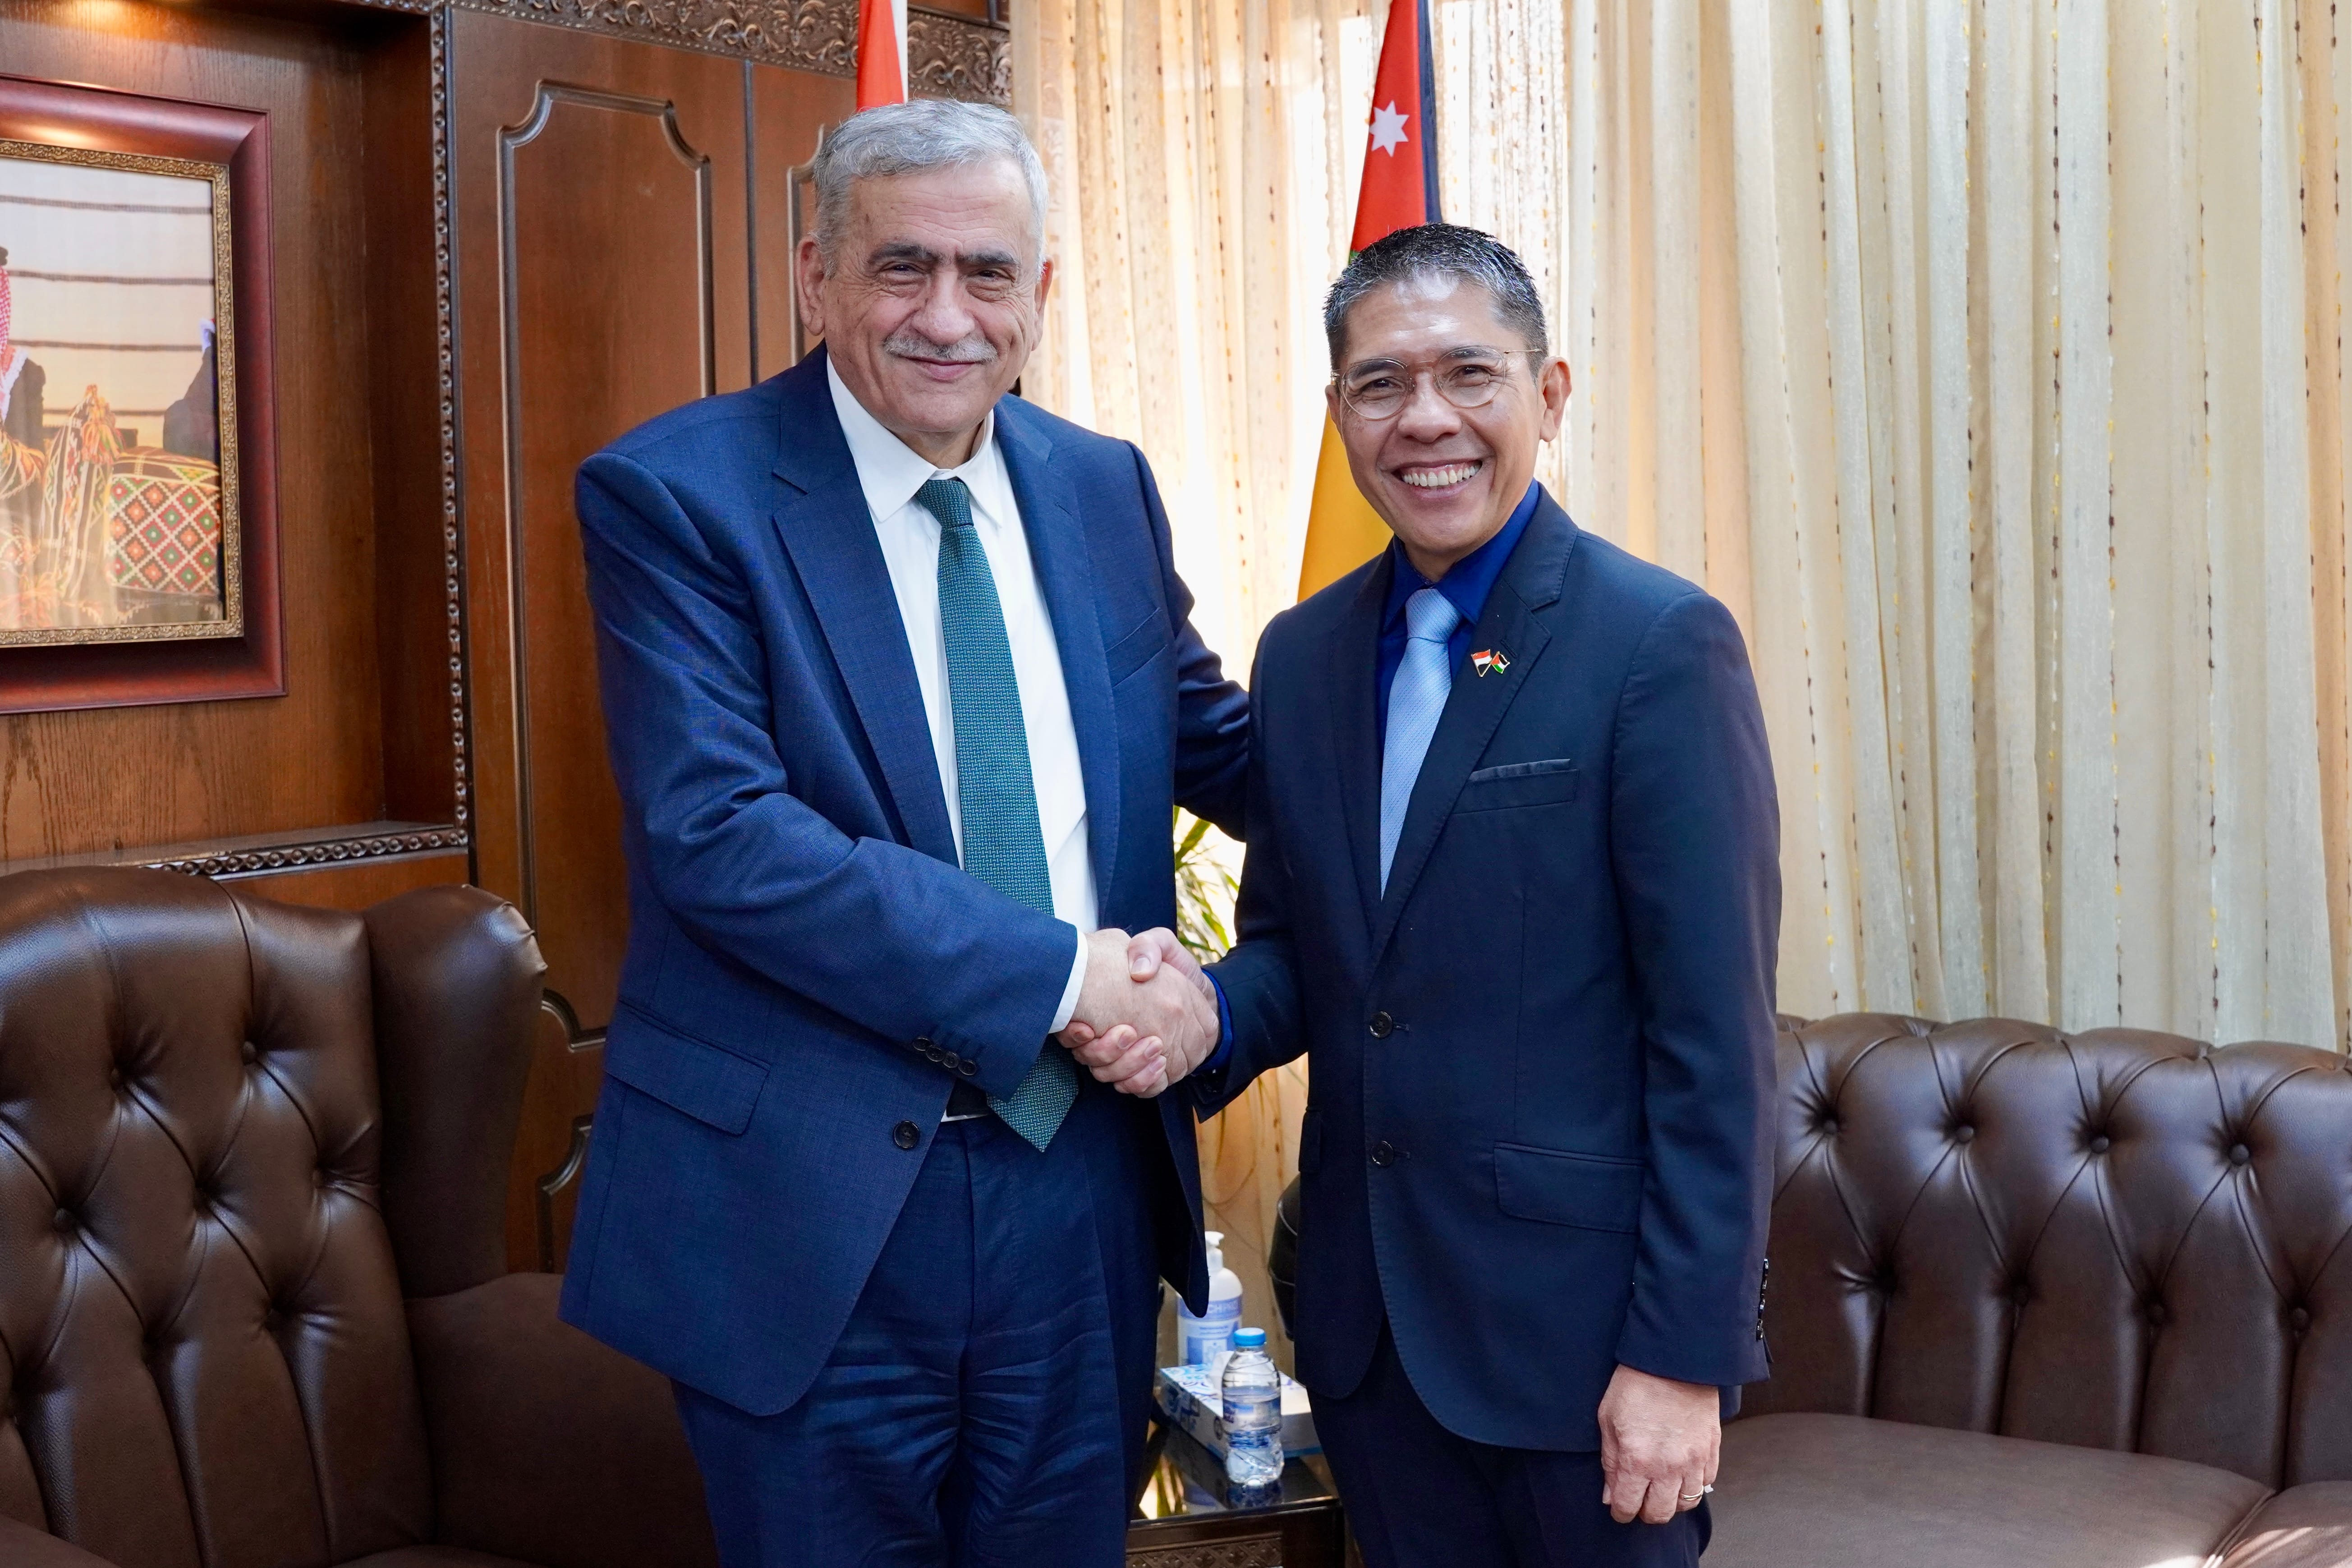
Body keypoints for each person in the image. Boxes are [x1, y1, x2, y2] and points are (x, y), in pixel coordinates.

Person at [559, 100, 1238, 1567]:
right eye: (901, 267)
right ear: (817, 276)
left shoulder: (1101, 485)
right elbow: (727, 837)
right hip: (813, 1214)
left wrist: (1478, 731)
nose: (947, 315)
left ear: (1041, 296)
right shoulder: (679, 497)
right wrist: (1071, 981)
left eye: (989, 274)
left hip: (1080, 1191)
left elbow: (1218, 742)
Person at [1075, 224, 1781, 1567]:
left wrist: (1685, 1362)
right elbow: (1306, 952)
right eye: (1382, 384)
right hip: (1370, 1345)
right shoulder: (1304, 655)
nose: (1428, 420)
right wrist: (1193, 1021)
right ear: (1340, 412)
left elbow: (1717, 1044)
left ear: (1550, 393)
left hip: (1585, 1358)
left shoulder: (1657, 645)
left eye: (1471, 375)